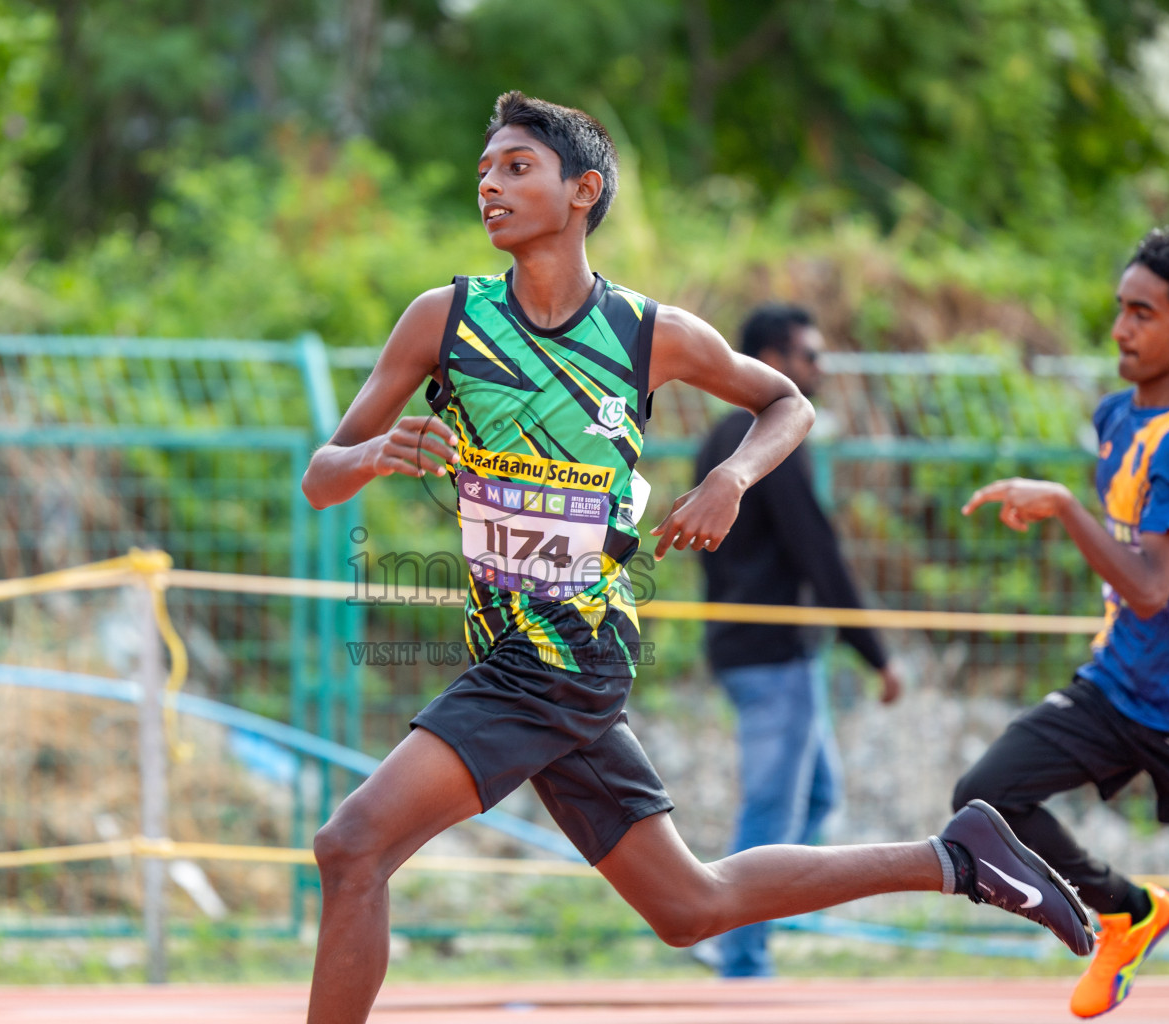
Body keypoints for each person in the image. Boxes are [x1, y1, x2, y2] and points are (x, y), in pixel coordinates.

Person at [300, 91, 1092, 1024]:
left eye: (516, 167)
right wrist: (370, 455)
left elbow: (787, 402)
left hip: (568, 648)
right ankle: (955, 856)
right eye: (484, 171)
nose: (491, 186)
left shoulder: (647, 332)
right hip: (511, 652)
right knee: (691, 906)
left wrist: (731, 478)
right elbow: (320, 475)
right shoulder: (443, 320)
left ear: (583, 190)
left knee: (352, 846)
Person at [957, 226, 1169, 1019]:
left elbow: (1152, 588)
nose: (1120, 329)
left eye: (1142, 313)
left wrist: (1062, 506)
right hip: (1120, 683)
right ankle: (1127, 912)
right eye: (1120, 309)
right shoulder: (1113, 417)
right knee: (985, 797)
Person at [693, 303, 904, 977]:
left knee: (813, 800)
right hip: (770, 656)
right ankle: (738, 950)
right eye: (809, 355)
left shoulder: (720, 438)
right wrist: (877, 655)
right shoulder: (766, 442)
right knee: (772, 807)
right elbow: (821, 555)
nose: (819, 368)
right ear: (772, 361)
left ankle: (727, 925)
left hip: (761, 650)